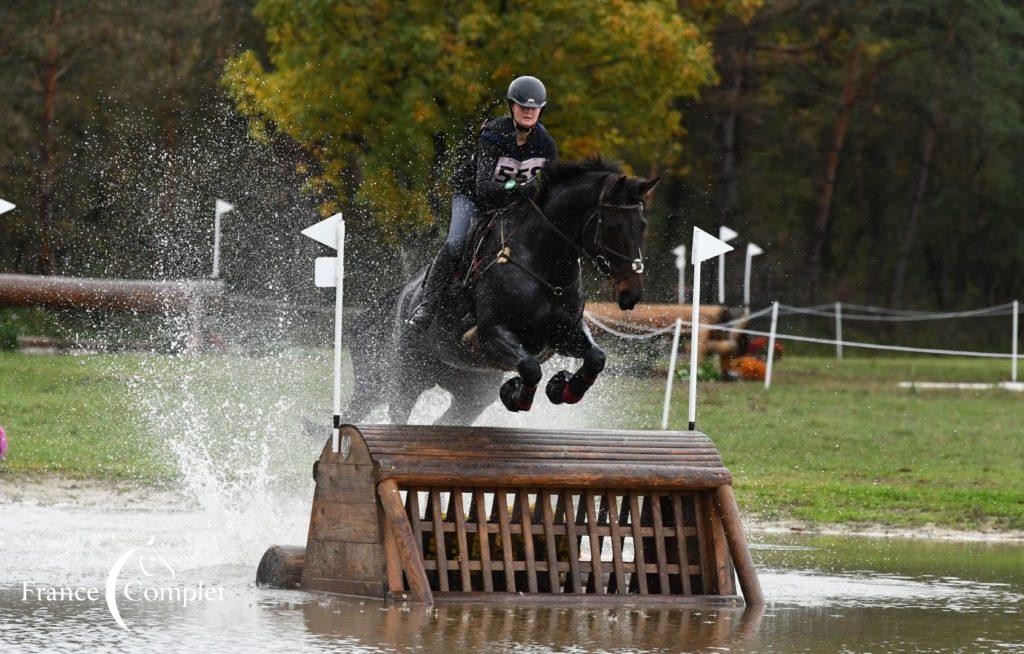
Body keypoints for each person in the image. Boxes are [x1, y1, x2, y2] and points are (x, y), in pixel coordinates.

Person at [406, 75, 558, 331]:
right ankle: (426, 306)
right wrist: (519, 188)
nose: (528, 112)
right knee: (456, 242)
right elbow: (485, 188)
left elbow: (551, 190)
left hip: (511, 205)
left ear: (541, 110)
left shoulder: (546, 145)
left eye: (534, 108)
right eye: (523, 107)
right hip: (473, 197)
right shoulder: (493, 135)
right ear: (512, 107)